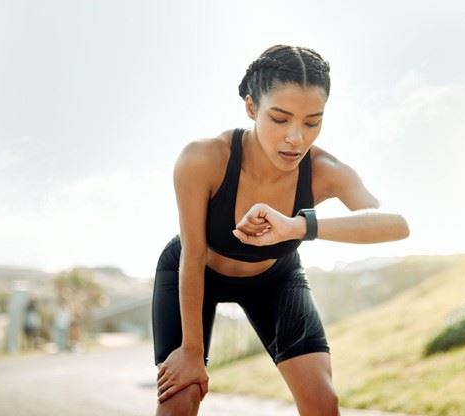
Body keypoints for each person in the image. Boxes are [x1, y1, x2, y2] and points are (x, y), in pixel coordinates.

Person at [152, 44, 410, 416]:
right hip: (195, 270)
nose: (296, 138)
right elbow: (192, 255)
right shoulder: (203, 159)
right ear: (251, 107)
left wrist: (298, 226)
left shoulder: (326, 170)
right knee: (180, 398)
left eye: (312, 122)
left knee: (323, 403)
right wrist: (191, 351)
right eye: (279, 118)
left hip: (274, 278)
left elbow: (395, 225)